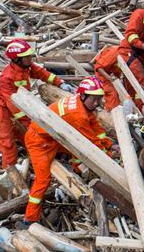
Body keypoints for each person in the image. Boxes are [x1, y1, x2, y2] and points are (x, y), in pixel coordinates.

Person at [23, 77, 114, 223]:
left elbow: (95, 126)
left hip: (53, 137)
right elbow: (91, 142)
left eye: (99, 99)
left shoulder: (82, 104)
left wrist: (108, 144)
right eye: (94, 99)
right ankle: (30, 218)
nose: (97, 103)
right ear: (83, 95)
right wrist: (108, 156)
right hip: (39, 141)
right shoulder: (78, 114)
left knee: (75, 151)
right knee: (43, 180)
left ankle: (78, 171)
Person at [0, 39, 73, 169]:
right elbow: (13, 105)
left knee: (28, 138)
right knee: (7, 144)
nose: (30, 59)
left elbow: (42, 73)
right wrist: (30, 122)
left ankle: (38, 160)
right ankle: (10, 174)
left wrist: (60, 82)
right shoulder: (7, 78)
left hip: (22, 106)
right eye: (27, 57)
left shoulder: (27, 66)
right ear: (17, 59)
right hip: (4, 112)